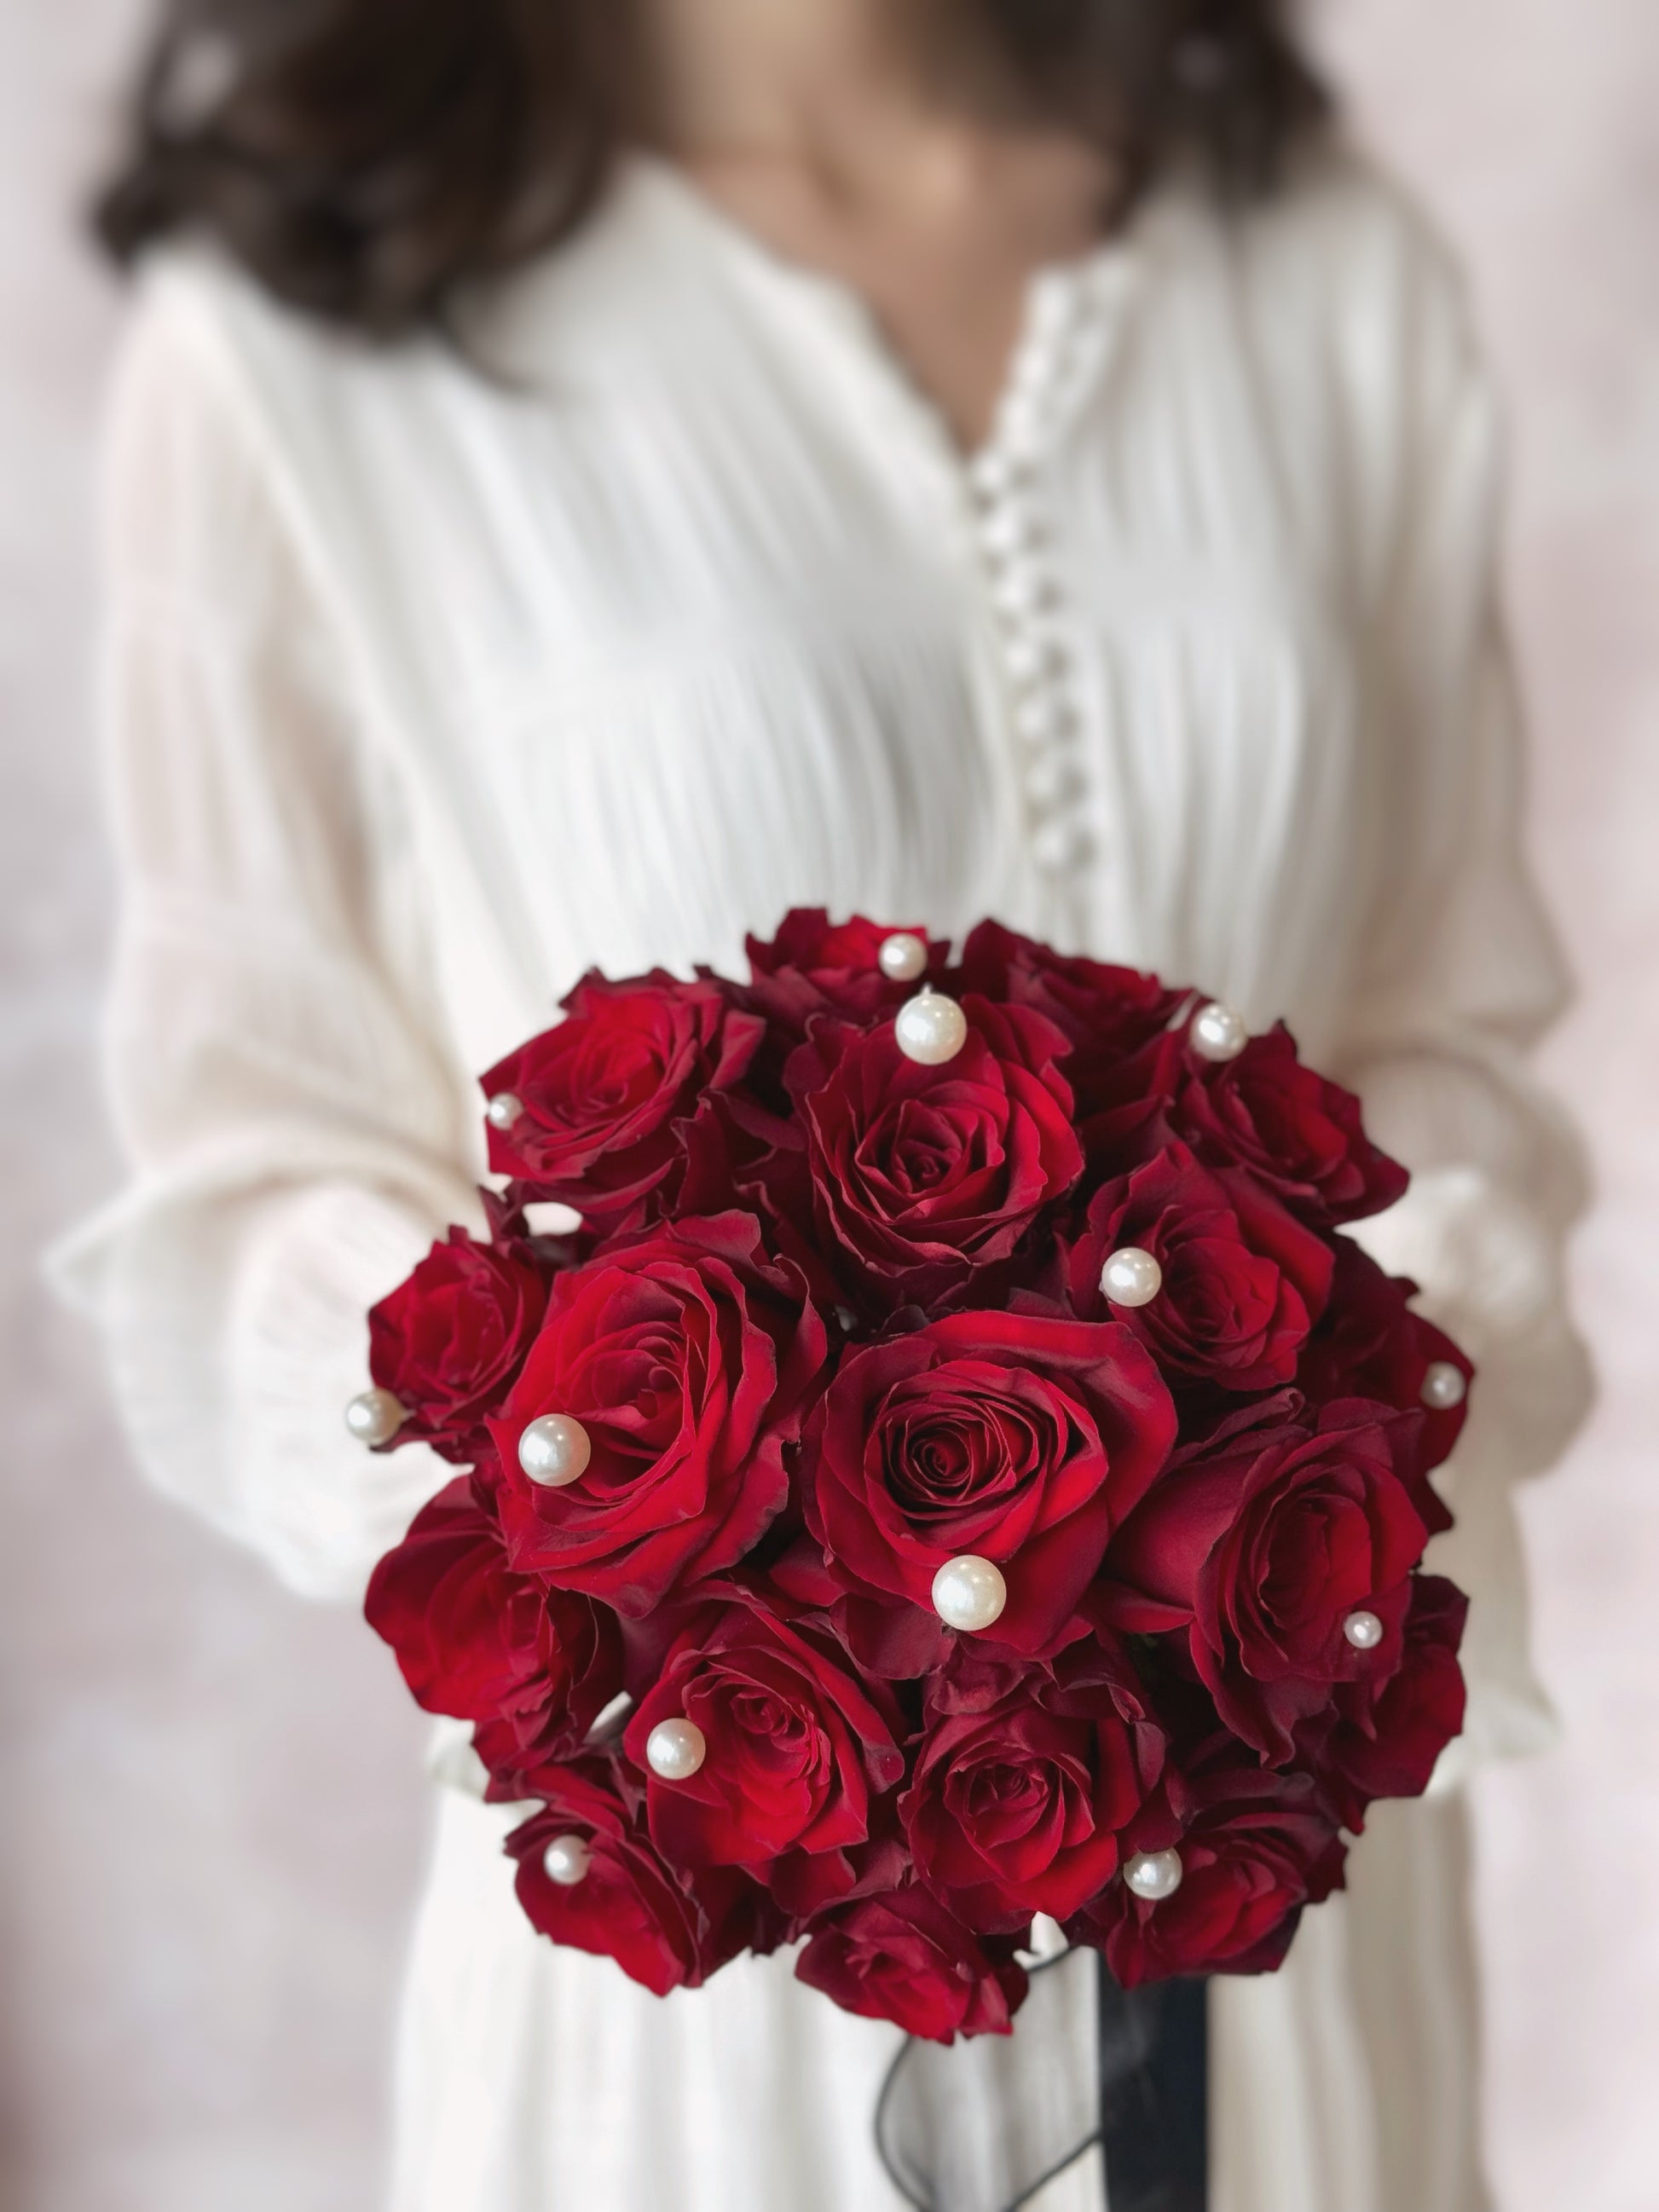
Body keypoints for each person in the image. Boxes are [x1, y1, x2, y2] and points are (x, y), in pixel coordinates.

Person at [58, 1, 1592, 2207]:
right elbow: (244, 1169)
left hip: (1269, 1928)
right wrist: (653, 1501)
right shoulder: (312, 326)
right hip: (698, 1941)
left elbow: (1439, 1040)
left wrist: (1283, 1451)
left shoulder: (1317, 265)